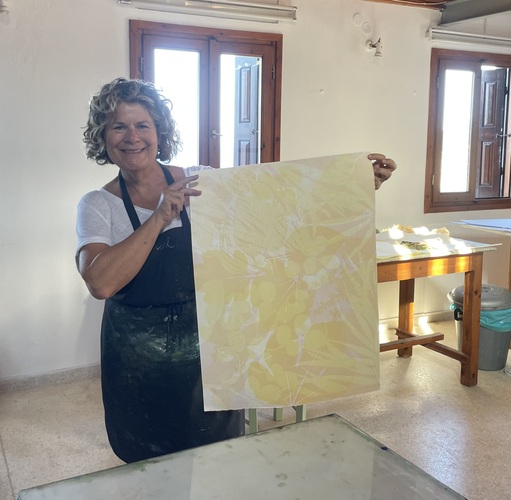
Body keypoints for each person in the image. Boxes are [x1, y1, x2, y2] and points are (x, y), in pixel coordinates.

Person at [76, 77, 396, 464]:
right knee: (147, 462)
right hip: (137, 364)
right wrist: (160, 216)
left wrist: (353, 185)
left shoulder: (200, 181)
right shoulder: (97, 205)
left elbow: (281, 207)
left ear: (158, 131)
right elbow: (101, 282)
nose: (132, 137)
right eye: (118, 126)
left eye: (142, 125)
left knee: (217, 458)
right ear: (103, 137)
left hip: (213, 353)